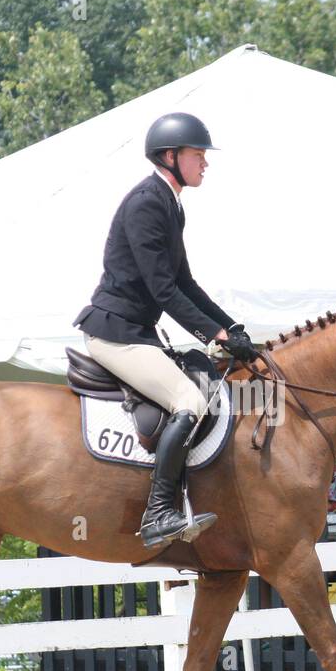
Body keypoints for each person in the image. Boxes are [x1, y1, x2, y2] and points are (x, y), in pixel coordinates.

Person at [73, 112, 255, 549]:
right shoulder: (146, 203)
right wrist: (216, 335)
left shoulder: (171, 204)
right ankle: (157, 514)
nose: (205, 163)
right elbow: (163, 289)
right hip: (115, 332)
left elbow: (186, 284)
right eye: (198, 155)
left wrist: (231, 328)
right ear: (171, 156)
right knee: (189, 400)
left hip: (137, 331)